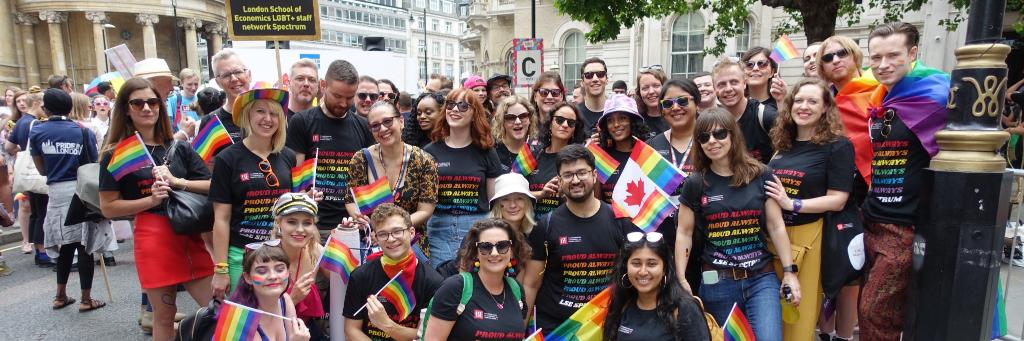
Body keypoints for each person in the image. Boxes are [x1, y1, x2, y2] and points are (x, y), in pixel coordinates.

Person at [98, 77, 214, 340]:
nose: (146, 108)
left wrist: (178, 182)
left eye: (152, 102)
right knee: (163, 316)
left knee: (219, 309)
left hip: (189, 234)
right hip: (153, 237)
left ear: (160, 106)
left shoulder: (179, 147)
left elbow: (212, 185)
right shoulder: (116, 154)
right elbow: (108, 207)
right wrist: (150, 200)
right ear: (126, 109)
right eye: (137, 103)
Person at [675, 108, 800, 341]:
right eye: (704, 137)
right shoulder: (695, 183)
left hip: (761, 278)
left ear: (733, 135)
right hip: (716, 282)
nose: (712, 141)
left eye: (720, 134)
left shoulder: (762, 174)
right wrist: (681, 279)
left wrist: (790, 272)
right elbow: (684, 232)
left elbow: (776, 226)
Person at [859, 22, 949, 341]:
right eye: (876, 57)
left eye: (893, 55)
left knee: (874, 312)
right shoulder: (881, 99)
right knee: (874, 314)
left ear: (912, 53)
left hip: (905, 228)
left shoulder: (937, 97)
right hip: (873, 220)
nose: (883, 65)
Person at [765, 78, 854, 341]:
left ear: (826, 107)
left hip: (809, 239)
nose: (804, 106)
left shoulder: (838, 145)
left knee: (798, 319)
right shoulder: (783, 144)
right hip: (774, 240)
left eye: (812, 101)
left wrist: (792, 204)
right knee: (773, 321)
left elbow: (838, 199)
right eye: (799, 100)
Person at [523, 144, 637, 333]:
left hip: (603, 326)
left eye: (582, 173)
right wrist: (520, 331)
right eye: (568, 175)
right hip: (557, 329)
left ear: (594, 175)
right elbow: (531, 284)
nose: (575, 180)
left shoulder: (620, 221)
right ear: (559, 180)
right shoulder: (545, 225)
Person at [815, 34, 876, 341]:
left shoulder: (877, 92)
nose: (835, 60)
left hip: (869, 193)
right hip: (827, 193)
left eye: (842, 53)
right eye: (828, 57)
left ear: (855, 56)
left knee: (852, 273)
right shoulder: (822, 100)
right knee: (827, 271)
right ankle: (825, 334)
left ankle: (844, 336)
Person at [211, 84, 297, 295]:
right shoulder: (227, 159)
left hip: (279, 255)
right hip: (241, 256)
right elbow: (221, 218)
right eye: (260, 111)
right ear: (247, 115)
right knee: (243, 314)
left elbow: (290, 207)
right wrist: (220, 269)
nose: (268, 119)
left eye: (274, 113)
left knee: (278, 312)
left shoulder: (288, 156)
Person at [31, 88, 104, 312]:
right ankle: (86, 299)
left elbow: (41, 169)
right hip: (80, 190)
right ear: (70, 108)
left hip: (55, 192)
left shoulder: (37, 131)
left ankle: (60, 296)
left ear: (46, 109)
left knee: (64, 245)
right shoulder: (83, 131)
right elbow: (92, 164)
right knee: (85, 246)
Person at [287, 59, 375, 232]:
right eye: (337, 96)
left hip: (354, 225)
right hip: (314, 225)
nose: (343, 103)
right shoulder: (302, 122)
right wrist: (303, 197)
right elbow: (296, 179)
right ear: (323, 86)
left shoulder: (364, 126)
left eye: (349, 97)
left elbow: (370, 178)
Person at [345, 101, 438, 262]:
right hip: (371, 241)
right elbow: (350, 200)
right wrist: (365, 222)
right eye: (375, 126)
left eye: (387, 121)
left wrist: (391, 231)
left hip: (410, 243)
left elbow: (425, 210)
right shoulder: (360, 159)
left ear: (401, 121)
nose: (382, 129)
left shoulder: (424, 160)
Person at [343, 203, 444, 340]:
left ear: (411, 232)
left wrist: (386, 324)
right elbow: (351, 329)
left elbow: (426, 336)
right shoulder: (361, 275)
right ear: (376, 238)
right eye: (383, 234)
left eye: (397, 231)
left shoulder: (433, 281)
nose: (391, 239)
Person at [424, 89, 501, 267]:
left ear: (474, 113)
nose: (455, 110)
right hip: (439, 228)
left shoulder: (486, 151)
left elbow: (494, 201)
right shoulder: (430, 151)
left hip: (477, 227)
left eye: (463, 106)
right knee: (442, 280)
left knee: (475, 280)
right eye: (450, 105)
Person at [423, 219, 530, 341]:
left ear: (512, 251)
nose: (494, 253)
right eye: (486, 247)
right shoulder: (455, 287)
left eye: (502, 246)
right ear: (476, 253)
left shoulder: (516, 289)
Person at [602, 231, 711, 341]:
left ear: (664, 269)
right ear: (626, 267)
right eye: (636, 263)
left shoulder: (684, 308)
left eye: (652, 264)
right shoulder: (622, 304)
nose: (643, 272)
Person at [644, 79, 700, 253]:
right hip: (663, 242)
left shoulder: (710, 141)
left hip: (704, 239)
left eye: (682, 101)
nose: (675, 107)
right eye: (668, 103)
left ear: (697, 103)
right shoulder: (651, 146)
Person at [269, 193, 328, 339]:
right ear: (279, 223)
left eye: (307, 223)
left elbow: (345, 282)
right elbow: (255, 315)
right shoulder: (263, 259)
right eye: (292, 222)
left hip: (308, 331)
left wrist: (348, 232)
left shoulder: (316, 251)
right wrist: (292, 298)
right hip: (274, 332)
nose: (300, 229)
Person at [6, 87, 52, 267]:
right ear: (38, 104)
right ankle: (43, 251)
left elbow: (9, 147)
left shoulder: (20, 122)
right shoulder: (36, 124)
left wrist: (22, 150)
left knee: (35, 212)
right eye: (44, 106)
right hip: (37, 172)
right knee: (43, 212)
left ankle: (38, 250)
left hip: (26, 172)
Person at [227, 244, 311, 341]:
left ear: (288, 272)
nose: (272, 276)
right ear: (248, 278)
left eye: (280, 269)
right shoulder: (238, 319)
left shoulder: (285, 299)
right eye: (262, 271)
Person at [711, 57, 778, 164]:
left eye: (734, 82)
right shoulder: (712, 121)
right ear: (715, 89)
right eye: (721, 84)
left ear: (744, 83)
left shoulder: (766, 116)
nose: (728, 89)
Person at [527, 102, 588, 217]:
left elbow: (590, 199)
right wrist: (541, 194)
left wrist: (567, 193)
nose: (565, 125)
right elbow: (513, 191)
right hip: (531, 222)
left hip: (566, 222)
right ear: (550, 124)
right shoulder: (531, 152)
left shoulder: (581, 158)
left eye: (571, 123)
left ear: (575, 129)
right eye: (559, 120)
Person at [595, 94, 651, 204]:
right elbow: (597, 202)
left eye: (622, 118)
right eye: (610, 120)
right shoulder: (602, 158)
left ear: (633, 121)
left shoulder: (647, 153)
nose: (616, 124)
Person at [200, 49, 252, 158]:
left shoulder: (270, 116)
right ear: (218, 82)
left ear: (249, 75)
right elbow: (200, 164)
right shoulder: (211, 122)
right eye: (226, 75)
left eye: (238, 72)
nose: (234, 79)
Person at [493, 96, 538, 172]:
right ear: (502, 121)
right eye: (511, 117)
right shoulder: (492, 151)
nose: (518, 122)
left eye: (523, 116)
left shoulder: (538, 151)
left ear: (530, 119)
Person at [488, 173, 537, 239]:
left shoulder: (536, 235)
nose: (512, 205)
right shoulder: (488, 238)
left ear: (527, 202)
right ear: (497, 204)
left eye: (519, 198)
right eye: (505, 199)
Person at [578, 57, 609, 135]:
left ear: (607, 80)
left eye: (600, 74)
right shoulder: (575, 114)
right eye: (589, 75)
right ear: (582, 82)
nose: (595, 79)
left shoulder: (617, 111)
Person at [634, 66, 668, 137]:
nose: (651, 91)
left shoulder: (675, 117)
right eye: (645, 88)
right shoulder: (635, 120)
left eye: (656, 86)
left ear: (665, 88)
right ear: (639, 92)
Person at [167, 68, 201, 134]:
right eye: (189, 84)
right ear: (181, 83)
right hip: (181, 137)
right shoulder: (172, 100)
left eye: (196, 84)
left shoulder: (200, 99)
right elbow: (169, 124)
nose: (193, 88)